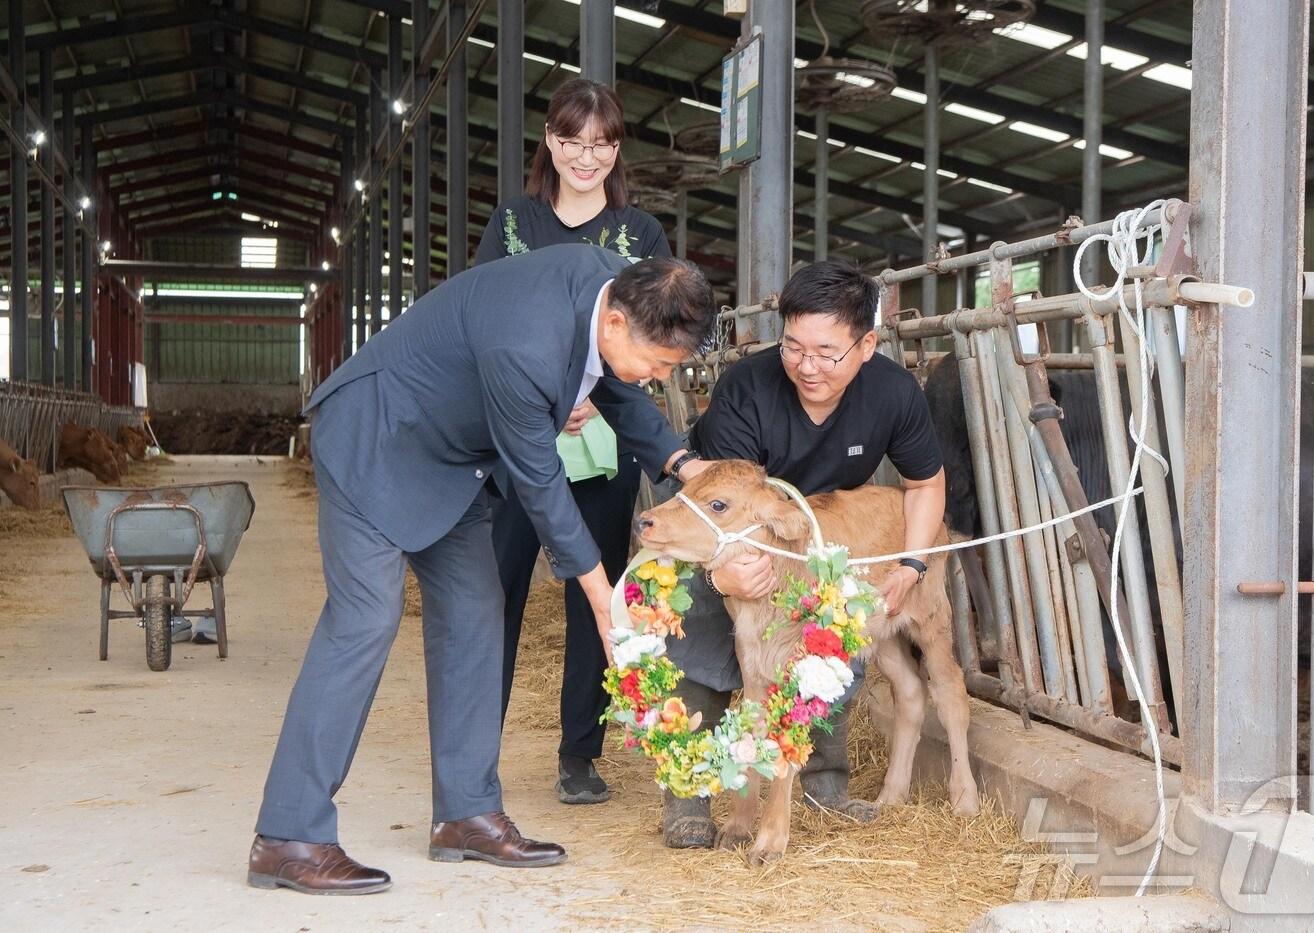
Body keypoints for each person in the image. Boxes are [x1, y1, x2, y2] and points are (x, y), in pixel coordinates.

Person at [249, 245, 716, 894]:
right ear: (615, 324)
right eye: (659, 364)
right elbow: (541, 483)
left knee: (475, 614)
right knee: (365, 620)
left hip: (449, 456)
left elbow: (619, 384)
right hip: (375, 433)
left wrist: (686, 466)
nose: (657, 375)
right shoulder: (526, 344)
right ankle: (288, 835)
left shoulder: (623, 287)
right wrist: (605, 600)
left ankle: (465, 814)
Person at [658, 259, 947, 849]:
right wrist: (727, 574)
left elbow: (925, 483)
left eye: (826, 352)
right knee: (712, 644)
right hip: (729, 533)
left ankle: (823, 782)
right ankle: (689, 794)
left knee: (827, 647)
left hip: (817, 540)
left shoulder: (892, 392)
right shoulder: (747, 387)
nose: (806, 366)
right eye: (793, 347)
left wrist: (912, 564)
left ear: (866, 344)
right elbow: (718, 494)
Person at [475, 77, 671, 806]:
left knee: (597, 596)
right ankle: (474, 754)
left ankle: (579, 753)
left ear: (615, 149)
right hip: (516, 439)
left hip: (602, 442)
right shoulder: (514, 223)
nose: (585, 157)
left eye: (601, 144)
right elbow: (484, 315)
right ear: (550, 142)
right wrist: (544, 397)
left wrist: (587, 397)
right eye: (571, 141)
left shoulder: (640, 235)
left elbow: (655, 328)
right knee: (496, 594)